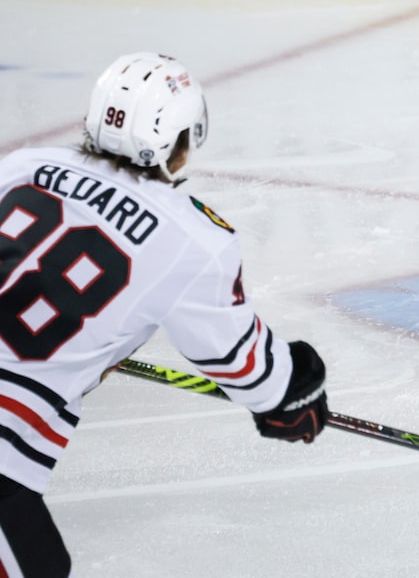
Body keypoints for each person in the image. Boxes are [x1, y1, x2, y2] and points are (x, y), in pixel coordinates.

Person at [0, 52, 329, 576]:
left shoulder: (21, 166)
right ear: (181, 138)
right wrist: (296, 393)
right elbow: (253, 374)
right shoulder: (191, 240)